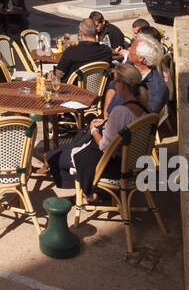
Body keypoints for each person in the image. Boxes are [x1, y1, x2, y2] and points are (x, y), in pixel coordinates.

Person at [42, 62, 149, 199]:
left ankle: (89, 193)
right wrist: (106, 123)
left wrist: (93, 130)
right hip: (133, 163)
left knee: (53, 156)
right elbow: (126, 127)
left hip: (111, 165)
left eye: (115, 82)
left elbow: (105, 146)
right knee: (65, 148)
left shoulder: (120, 111)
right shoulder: (145, 109)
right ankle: (92, 190)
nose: (114, 86)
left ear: (122, 84)